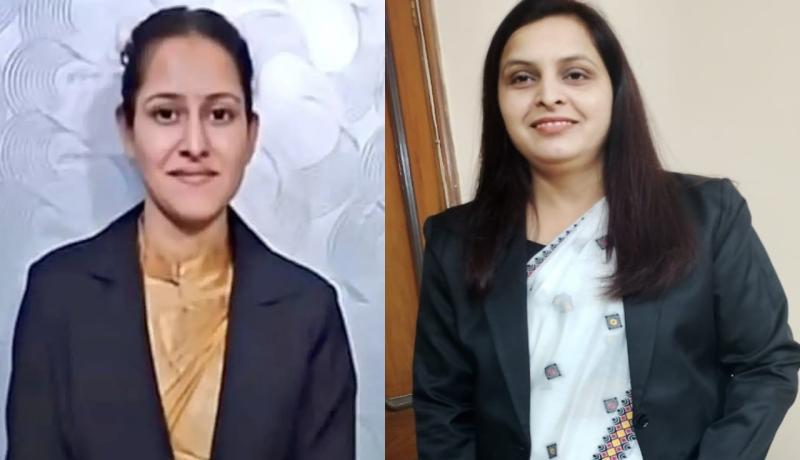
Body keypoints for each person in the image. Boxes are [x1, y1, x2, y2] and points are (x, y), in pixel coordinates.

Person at [412, 1, 800, 459]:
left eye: (575, 74)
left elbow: (766, 364)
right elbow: (443, 406)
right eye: (522, 78)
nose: (549, 95)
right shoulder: (456, 242)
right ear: (496, 100)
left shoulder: (707, 214)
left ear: (615, 90)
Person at [6, 7, 355, 460]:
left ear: (251, 135)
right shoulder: (58, 295)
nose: (194, 144)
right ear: (128, 130)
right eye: (166, 113)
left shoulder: (308, 311)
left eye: (220, 114)